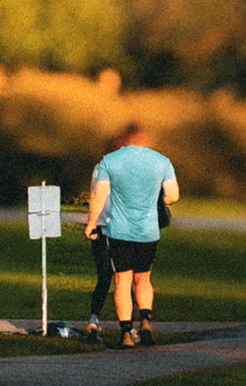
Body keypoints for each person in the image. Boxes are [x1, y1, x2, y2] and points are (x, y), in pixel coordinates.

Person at [83, 124, 179, 348]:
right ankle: (146, 320)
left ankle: (126, 332)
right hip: (148, 231)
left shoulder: (108, 163)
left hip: (119, 231)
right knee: (143, 278)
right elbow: (173, 196)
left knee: (122, 282)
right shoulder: (161, 162)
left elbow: (98, 195)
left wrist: (91, 223)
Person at [81, 131, 131, 343]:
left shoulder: (101, 167)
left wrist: (92, 222)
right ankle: (127, 327)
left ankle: (95, 319)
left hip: (104, 228)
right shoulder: (128, 169)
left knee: (105, 277)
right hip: (125, 229)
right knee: (126, 279)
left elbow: (96, 197)